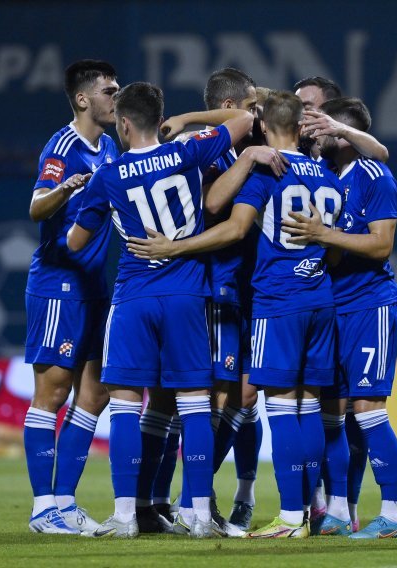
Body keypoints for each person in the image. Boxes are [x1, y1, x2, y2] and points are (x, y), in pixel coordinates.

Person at [127, 90, 344, 539]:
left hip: (271, 298)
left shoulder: (265, 170)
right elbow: (336, 240)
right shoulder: (326, 174)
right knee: (300, 405)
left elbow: (229, 221)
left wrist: (175, 246)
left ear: (263, 125)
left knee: (268, 404)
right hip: (307, 296)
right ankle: (294, 510)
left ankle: (276, 514)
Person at [66, 81, 254, 538]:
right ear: (159, 118)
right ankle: (198, 514)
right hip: (188, 295)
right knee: (194, 404)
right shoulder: (189, 152)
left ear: (124, 124)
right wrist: (190, 122)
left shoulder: (108, 176)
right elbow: (247, 119)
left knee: (127, 404)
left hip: (133, 297)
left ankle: (126, 515)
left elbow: (75, 242)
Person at [281, 97, 397, 539]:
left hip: (370, 306)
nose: (313, 134)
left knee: (368, 410)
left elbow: (380, 245)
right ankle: (336, 509)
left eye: (321, 127)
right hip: (334, 306)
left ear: (342, 133)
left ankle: (393, 514)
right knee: (332, 414)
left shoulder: (374, 174)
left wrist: (321, 233)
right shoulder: (331, 181)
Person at [24, 59, 119, 535]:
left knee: (96, 394)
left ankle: (64, 501)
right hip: (59, 285)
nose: (115, 97)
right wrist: (62, 189)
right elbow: (36, 206)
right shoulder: (63, 148)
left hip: (95, 287)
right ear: (83, 99)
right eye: (108, 90)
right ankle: (43, 508)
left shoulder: (110, 147)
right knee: (53, 393)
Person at [293, 76, 389, 164]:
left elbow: (381, 154)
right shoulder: (291, 156)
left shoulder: (349, 156)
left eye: (306, 108)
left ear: (328, 108)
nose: (297, 115)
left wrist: (342, 130)